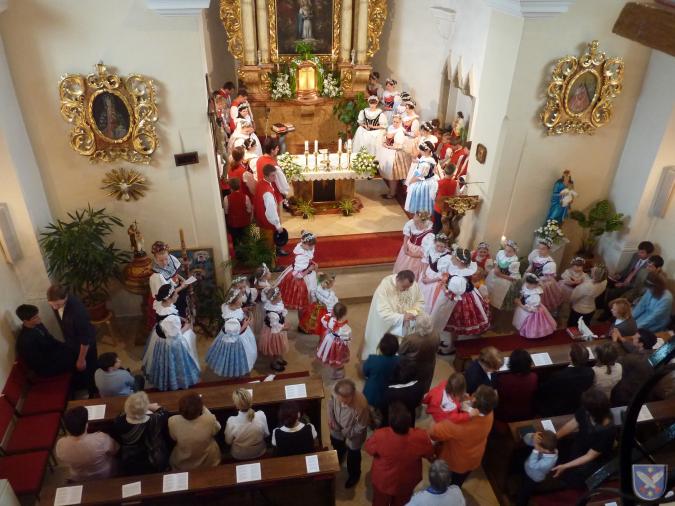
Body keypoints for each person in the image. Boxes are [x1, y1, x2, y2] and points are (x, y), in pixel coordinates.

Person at [364, 402, 435, 506]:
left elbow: (369, 449)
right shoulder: (420, 436)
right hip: (407, 482)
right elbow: (430, 453)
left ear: (391, 422)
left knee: (380, 502)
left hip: (383, 480)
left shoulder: (380, 435)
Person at [429, 385, 499, 487]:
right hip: (474, 457)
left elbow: (433, 432)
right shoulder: (489, 412)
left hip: (456, 462)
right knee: (458, 484)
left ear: (474, 398)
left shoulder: (459, 424)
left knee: (447, 484)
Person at [551, 388, 615, 488]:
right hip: (581, 444)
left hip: (594, 458)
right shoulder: (586, 410)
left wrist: (565, 466)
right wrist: (553, 438)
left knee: (577, 477)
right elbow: (573, 423)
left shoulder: (607, 431)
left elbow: (590, 456)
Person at [142, 284, 200, 391]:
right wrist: (187, 326)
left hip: (160, 334)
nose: (177, 295)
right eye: (175, 294)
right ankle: (175, 382)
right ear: (169, 298)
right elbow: (176, 335)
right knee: (174, 362)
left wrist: (180, 318)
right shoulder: (172, 319)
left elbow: (167, 316)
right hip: (170, 341)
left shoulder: (160, 304)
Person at [361, 270, 425, 360]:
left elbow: (420, 301)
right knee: (387, 351)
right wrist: (402, 317)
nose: (406, 290)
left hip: (406, 326)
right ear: (398, 280)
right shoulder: (385, 287)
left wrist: (412, 312)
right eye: (404, 287)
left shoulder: (413, 285)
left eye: (408, 288)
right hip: (390, 327)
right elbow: (382, 311)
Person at [47, 285, 98, 395]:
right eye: (52, 304)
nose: (55, 308)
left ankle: (93, 391)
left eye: (57, 304)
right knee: (79, 371)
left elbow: (85, 339)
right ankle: (83, 386)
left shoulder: (78, 312)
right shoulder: (57, 303)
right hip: (73, 343)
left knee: (90, 370)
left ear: (65, 297)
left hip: (86, 347)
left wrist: (81, 359)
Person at [112, 392, 169, 475]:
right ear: (145, 410)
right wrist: (148, 406)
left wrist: (137, 407)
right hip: (152, 459)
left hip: (130, 459)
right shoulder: (154, 420)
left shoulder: (119, 421)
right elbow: (164, 411)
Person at [55, 406, 119, 481]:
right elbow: (115, 449)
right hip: (104, 474)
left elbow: (61, 458)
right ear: (86, 424)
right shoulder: (101, 438)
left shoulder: (61, 444)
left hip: (79, 477)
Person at [328, 379, 370, 488]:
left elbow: (361, 425)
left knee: (353, 455)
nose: (342, 403)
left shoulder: (361, 404)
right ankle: (340, 455)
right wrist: (332, 419)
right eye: (340, 400)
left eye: (345, 402)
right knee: (337, 444)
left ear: (352, 395)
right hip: (336, 427)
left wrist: (348, 433)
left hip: (354, 434)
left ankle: (354, 475)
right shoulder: (335, 390)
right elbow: (331, 403)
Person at [15, 304, 75, 377]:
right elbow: (38, 362)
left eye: (37, 315)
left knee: (75, 349)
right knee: (74, 357)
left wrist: (65, 346)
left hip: (53, 355)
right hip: (45, 367)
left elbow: (51, 339)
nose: (39, 318)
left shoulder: (38, 324)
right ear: (25, 321)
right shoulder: (25, 340)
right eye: (35, 317)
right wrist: (62, 353)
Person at [209, 287, 257, 375]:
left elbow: (237, 310)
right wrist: (245, 325)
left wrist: (243, 310)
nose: (241, 304)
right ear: (235, 303)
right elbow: (234, 335)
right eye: (240, 302)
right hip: (236, 338)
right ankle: (235, 371)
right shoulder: (232, 321)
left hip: (233, 330)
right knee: (235, 357)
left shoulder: (226, 306)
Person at [536, 343, 594, 416]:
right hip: (577, 406)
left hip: (558, 409)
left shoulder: (559, 376)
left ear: (570, 358)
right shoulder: (590, 372)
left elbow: (544, 391)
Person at [600, 241, 655, 317]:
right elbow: (628, 269)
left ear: (649, 254)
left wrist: (624, 284)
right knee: (605, 283)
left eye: (642, 253)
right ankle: (601, 305)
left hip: (632, 285)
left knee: (613, 292)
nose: (639, 254)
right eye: (639, 251)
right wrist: (619, 275)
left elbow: (639, 284)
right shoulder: (635, 256)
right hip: (624, 279)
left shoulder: (650, 266)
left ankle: (607, 313)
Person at [168, 392, 221, 471]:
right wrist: (204, 408)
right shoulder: (210, 419)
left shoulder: (172, 420)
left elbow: (173, 438)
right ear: (200, 409)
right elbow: (217, 429)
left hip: (183, 462)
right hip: (209, 461)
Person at [445, 248, 491, 338]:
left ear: (459, 261)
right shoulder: (461, 268)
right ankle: (453, 340)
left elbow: (456, 290)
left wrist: (445, 287)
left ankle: (453, 341)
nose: (451, 259)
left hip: (462, 297)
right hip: (466, 293)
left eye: (453, 258)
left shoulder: (464, 273)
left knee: (457, 318)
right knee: (454, 320)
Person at [398, 313, 440, 394]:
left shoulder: (410, 339)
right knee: (424, 386)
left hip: (412, 367)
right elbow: (436, 349)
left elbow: (401, 351)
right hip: (429, 365)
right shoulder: (436, 334)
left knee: (410, 388)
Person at [277, 230, 318, 310]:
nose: (312, 248)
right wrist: (309, 269)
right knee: (306, 292)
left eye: (313, 245)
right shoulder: (301, 258)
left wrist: (312, 262)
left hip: (305, 268)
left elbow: (308, 257)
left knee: (313, 287)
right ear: (304, 243)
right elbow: (297, 276)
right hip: (302, 274)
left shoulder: (304, 247)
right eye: (310, 246)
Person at [225, 388, 270, 460]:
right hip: (259, 451)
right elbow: (266, 434)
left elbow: (228, 441)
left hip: (239, 454)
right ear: (251, 401)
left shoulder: (231, 421)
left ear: (236, 405)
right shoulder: (261, 415)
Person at [516, 431, 558, 506]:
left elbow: (532, 465)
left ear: (546, 450)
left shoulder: (548, 462)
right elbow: (525, 439)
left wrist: (536, 449)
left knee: (525, 492)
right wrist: (533, 436)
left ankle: (521, 503)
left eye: (538, 446)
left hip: (533, 478)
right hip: (528, 471)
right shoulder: (545, 446)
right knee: (523, 484)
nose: (536, 445)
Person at [148, 241, 189, 318]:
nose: (165, 263)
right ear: (155, 259)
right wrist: (181, 287)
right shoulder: (157, 276)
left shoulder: (171, 259)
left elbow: (174, 273)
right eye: (161, 260)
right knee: (177, 312)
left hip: (177, 289)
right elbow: (166, 295)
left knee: (184, 306)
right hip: (168, 297)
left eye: (166, 259)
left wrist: (183, 279)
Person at [494, 349, 538, 421]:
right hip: (526, 412)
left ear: (511, 363)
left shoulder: (503, 379)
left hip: (506, 414)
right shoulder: (534, 377)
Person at [363, 333, 400, 414]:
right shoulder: (399, 361)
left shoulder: (372, 359)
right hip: (390, 395)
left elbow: (365, 372)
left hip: (372, 394)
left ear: (380, 347)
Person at [512, 274, 557, 339]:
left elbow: (531, 309)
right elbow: (523, 293)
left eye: (529, 284)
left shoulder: (535, 296)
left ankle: (530, 333)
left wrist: (520, 304)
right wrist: (520, 299)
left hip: (530, 311)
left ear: (535, 285)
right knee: (520, 320)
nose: (527, 285)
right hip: (525, 306)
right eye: (527, 282)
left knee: (529, 324)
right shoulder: (526, 286)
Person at [254, 164, 285, 259]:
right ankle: (272, 265)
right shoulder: (267, 192)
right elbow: (271, 211)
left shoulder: (260, 183)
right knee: (269, 247)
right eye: (272, 175)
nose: (275, 177)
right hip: (268, 224)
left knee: (263, 244)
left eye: (275, 175)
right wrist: (278, 226)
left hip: (260, 221)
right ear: (266, 175)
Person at [392, 211, 434, 279]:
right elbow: (406, 235)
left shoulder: (429, 234)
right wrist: (405, 245)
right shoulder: (412, 223)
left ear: (422, 222)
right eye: (414, 222)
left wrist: (411, 254)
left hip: (418, 253)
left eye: (417, 223)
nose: (415, 224)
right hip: (409, 247)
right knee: (404, 265)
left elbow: (424, 254)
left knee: (414, 270)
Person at [526, 239, 564, 312]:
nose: (540, 250)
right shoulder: (536, 256)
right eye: (539, 248)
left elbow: (548, 278)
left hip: (542, 282)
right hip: (532, 278)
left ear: (548, 250)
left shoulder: (550, 263)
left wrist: (537, 279)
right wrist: (528, 271)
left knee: (539, 299)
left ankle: (537, 311)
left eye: (543, 249)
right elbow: (532, 266)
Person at [316, 303, 351, 379]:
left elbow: (323, 320)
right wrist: (347, 342)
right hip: (338, 344)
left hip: (329, 339)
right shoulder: (345, 327)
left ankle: (334, 366)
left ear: (333, 312)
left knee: (329, 353)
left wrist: (331, 315)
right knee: (338, 357)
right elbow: (347, 338)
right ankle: (339, 371)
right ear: (344, 314)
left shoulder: (329, 320)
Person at [419, 233, 452, 313]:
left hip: (436, 279)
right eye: (437, 246)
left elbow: (443, 275)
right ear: (434, 243)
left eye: (442, 247)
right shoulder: (431, 249)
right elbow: (426, 261)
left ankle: (427, 312)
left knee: (429, 296)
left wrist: (429, 281)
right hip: (428, 272)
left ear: (446, 245)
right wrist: (423, 273)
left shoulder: (447, 257)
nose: (439, 248)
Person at [485, 239, 521, 312]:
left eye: (509, 251)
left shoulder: (514, 262)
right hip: (495, 275)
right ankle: (488, 305)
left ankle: (495, 310)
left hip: (505, 280)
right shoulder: (501, 253)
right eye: (506, 250)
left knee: (498, 296)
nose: (506, 253)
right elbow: (496, 262)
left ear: (515, 252)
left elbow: (513, 278)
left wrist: (500, 275)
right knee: (489, 290)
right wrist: (496, 267)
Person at [259, 286, 289, 372]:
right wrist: (285, 327)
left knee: (279, 346)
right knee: (274, 347)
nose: (281, 296)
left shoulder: (275, 303)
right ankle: (274, 362)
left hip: (278, 327)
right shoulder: (272, 314)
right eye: (279, 295)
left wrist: (283, 320)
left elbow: (281, 313)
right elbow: (275, 326)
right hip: (273, 332)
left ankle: (278, 358)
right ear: (274, 299)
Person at [404, 141, 439, 214]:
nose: (420, 151)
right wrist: (418, 161)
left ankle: (420, 214)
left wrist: (411, 181)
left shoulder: (425, 164)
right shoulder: (431, 159)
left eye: (421, 150)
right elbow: (433, 170)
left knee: (419, 200)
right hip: (430, 181)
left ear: (427, 150)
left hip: (422, 183)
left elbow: (419, 176)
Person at [377, 114, 406, 198]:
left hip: (395, 154)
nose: (395, 123)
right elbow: (386, 138)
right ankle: (391, 191)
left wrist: (388, 146)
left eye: (397, 122)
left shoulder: (400, 132)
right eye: (394, 121)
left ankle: (392, 193)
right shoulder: (390, 128)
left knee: (393, 175)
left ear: (400, 122)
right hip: (387, 152)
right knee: (388, 174)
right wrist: (384, 142)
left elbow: (398, 146)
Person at [223, 177, 252, 249]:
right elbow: (249, 210)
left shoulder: (226, 198)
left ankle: (237, 254)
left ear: (230, 187)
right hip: (244, 223)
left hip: (233, 224)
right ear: (239, 186)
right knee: (245, 241)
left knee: (235, 242)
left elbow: (226, 212)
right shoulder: (246, 197)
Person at [432, 164, 458, 234]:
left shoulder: (438, 183)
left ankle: (435, 236)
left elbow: (432, 196)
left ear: (444, 171)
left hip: (438, 208)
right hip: (448, 208)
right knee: (446, 224)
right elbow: (456, 195)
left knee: (436, 225)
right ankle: (445, 237)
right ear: (453, 173)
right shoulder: (455, 183)